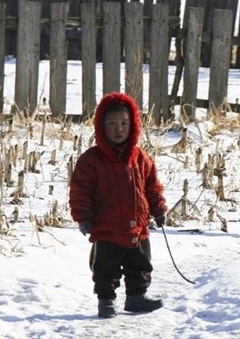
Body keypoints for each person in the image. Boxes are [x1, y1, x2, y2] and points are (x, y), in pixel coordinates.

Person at [69, 92, 168, 318]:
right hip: (107, 227)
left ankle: (136, 297)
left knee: (140, 264)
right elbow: (80, 191)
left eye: (124, 123)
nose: (118, 129)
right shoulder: (91, 160)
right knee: (105, 267)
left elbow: (152, 187)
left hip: (138, 227)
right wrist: (83, 217)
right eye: (112, 124)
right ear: (101, 126)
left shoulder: (141, 158)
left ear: (132, 125)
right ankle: (106, 302)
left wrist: (159, 208)